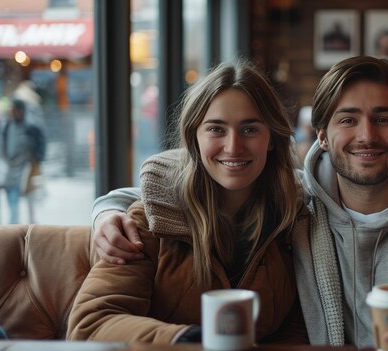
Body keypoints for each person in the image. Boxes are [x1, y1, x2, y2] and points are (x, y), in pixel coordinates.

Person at [89, 56, 388, 350]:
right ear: (320, 133)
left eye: (383, 119)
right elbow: (194, 182)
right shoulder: (299, 205)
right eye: (348, 119)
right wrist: (108, 207)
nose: (366, 136)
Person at [67, 60, 307, 343]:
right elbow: (90, 325)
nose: (233, 146)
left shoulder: (295, 219)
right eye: (216, 129)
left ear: (270, 138)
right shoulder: (154, 217)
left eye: (250, 129)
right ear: (194, 137)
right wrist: (187, 340)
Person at [0, 98, 46, 224]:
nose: (14, 113)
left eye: (16, 110)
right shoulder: (7, 125)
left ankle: (19, 226)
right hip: (8, 169)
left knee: (24, 198)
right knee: (11, 199)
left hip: (24, 169)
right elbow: (3, 145)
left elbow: (34, 148)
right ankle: (12, 226)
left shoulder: (30, 128)